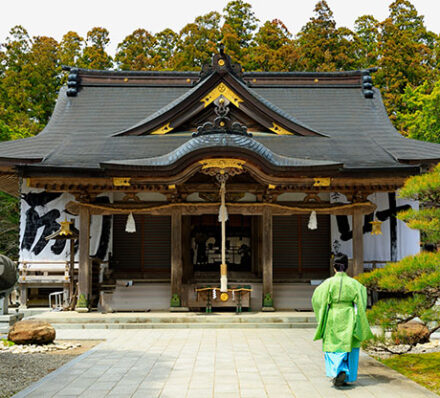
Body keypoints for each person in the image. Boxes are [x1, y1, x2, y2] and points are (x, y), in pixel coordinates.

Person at [312, 253, 373, 387]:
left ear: (334, 267)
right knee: (350, 344)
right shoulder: (354, 283)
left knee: (333, 345)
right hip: (349, 314)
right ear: (346, 267)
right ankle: (347, 373)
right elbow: (362, 297)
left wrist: (323, 312)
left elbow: (316, 298)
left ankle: (338, 370)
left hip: (333, 316)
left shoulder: (327, 283)